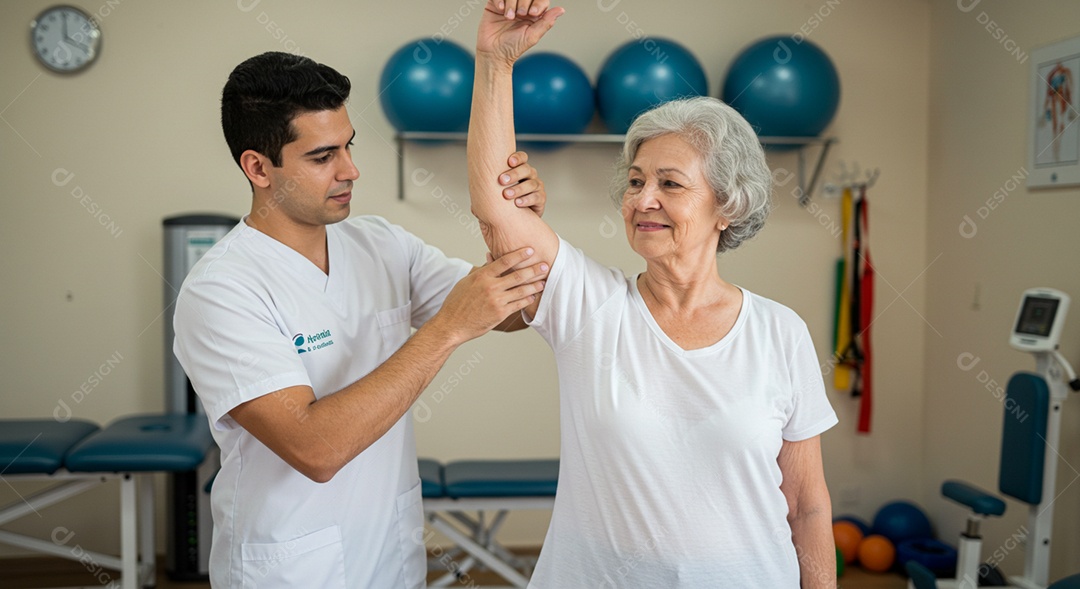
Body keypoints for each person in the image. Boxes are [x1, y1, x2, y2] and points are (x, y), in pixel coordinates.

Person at [468, 2, 838, 586]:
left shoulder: (779, 331)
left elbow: (808, 505)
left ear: (727, 205)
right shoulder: (589, 306)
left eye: (671, 184)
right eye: (636, 181)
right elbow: (497, 209)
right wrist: (496, 61)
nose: (644, 199)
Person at [173, 51, 550, 588]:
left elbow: (511, 311)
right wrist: (446, 330)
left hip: (390, 557)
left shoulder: (380, 242)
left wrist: (520, 225)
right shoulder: (222, 290)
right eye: (323, 156)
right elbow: (316, 449)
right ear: (258, 167)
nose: (351, 170)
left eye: (348, 146)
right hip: (293, 569)